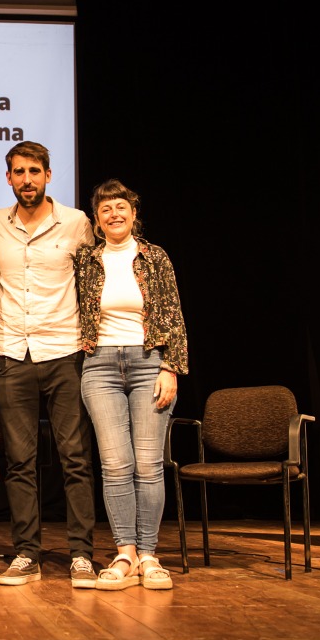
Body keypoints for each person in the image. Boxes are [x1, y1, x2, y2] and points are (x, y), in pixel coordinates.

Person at [0, 141, 99, 589]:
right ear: (9, 177)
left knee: (74, 457)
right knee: (19, 460)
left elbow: (94, 283)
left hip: (64, 349)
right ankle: (26, 553)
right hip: (11, 351)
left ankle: (81, 554)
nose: (27, 179)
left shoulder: (76, 223)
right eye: (19, 172)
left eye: (34, 171)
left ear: (48, 175)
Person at [75, 179, 189, 592]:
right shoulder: (86, 259)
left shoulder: (155, 257)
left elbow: (174, 315)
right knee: (116, 465)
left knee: (147, 463)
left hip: (148, 364)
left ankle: (149, 555)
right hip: (100, 366)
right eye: (106, 210)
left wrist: (170, 367)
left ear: (134, 213)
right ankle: (124, 553)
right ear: (97, 219)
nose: (114, 214)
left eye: (121, 207)